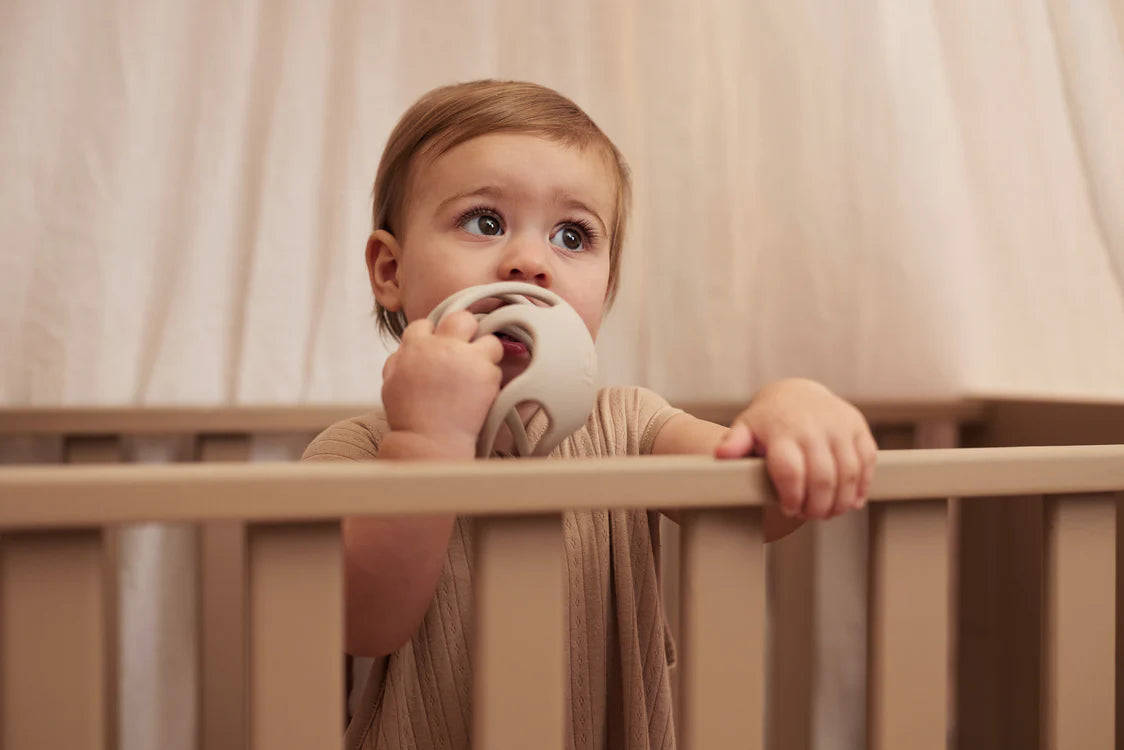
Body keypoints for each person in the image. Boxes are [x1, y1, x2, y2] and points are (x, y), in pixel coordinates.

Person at [303, 79, 878, 750]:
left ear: (605, 287)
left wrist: (791, 407)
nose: (530, 261)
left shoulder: (631, 427)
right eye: (485, 221)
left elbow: (757, 502)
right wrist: (427, 439)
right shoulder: (359, 451)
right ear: (390, 269)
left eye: (572, 236)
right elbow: (364, 621)